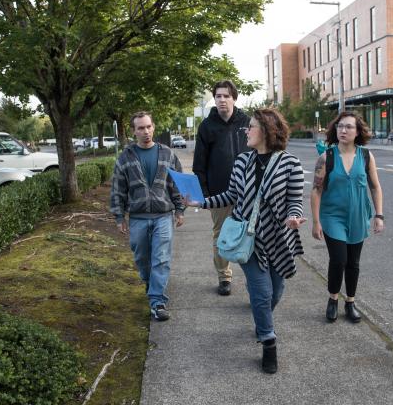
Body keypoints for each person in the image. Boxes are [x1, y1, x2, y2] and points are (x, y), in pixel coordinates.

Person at [187, 108, 306, 374]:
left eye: (250, 127)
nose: (246, 130)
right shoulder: (242, 161)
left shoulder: (290, 164)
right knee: (261, 293)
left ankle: (262, 320)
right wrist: (201, 203)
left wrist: (294, 217)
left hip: (278, 238)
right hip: (249, 240)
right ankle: (268, 341)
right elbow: (230, 195)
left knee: (276, 292)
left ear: (266, 130)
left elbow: (295, 201)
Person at [310, 111, 385, 323]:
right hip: (333, 217)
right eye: (340, 126)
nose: (343, 130)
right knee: (339, 260)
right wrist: (316, 222)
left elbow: (375, 186)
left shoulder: (366, 156)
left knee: (353, 262)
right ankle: (333, 299)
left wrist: (379, 215)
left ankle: (350, 302)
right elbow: (316, 191)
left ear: (358, 131)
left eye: (349, 127)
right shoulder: (327, 158)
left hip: (359, 216)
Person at [110, 111, 185, 322]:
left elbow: (176, 184)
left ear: (154, 127)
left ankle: (157, 302)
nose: (146, 131)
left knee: (161, 259)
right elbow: (118, 189)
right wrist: (118, 216)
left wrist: (179, 210)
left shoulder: (167, 154)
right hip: (138, 217)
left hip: (163, 215)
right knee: (142, 258)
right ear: (134, 131)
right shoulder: (125, 157)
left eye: (148, 127)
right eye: (141, 128)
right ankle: (150, 283)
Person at [193, 80, 251, 296]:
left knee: (251, 234)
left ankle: (253, 277)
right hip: (219, 192)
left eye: (226, 96)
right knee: (221, 235)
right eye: (218, 96)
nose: (222, 100)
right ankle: (224, 277)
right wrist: (204, 194)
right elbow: (200, 164)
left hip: (248, 192)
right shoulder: (207, 126)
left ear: (234, 97)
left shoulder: (247, 122)